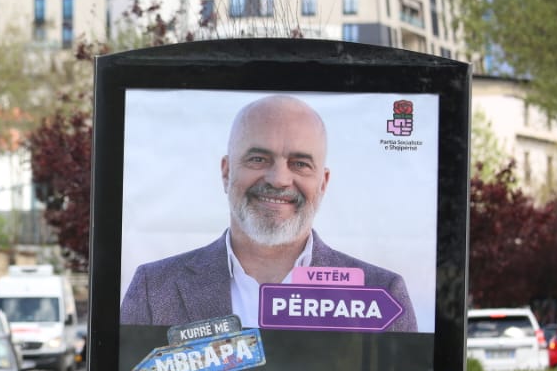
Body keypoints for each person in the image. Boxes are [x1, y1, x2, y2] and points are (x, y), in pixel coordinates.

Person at [120, 94, 417, 331]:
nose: (279, 180)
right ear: (226, 172)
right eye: (259, 159)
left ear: (323, 183)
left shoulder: (384, 293)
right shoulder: (153, 288)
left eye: (300, 164)